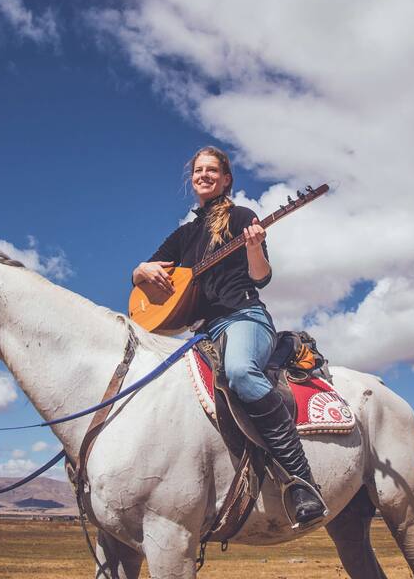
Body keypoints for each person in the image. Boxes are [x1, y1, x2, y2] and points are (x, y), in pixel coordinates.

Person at [131, 146, 326, 528]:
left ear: (226, 179)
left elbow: (260, 278)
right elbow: (143, 273)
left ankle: (302, 481)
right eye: (198, 171)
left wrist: (254, 246)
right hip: (203, 329)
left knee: (239, 371)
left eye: (212, 170)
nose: (203, 175)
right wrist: (140, 270)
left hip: (244, 317)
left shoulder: (242, 217)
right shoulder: (184, 235)